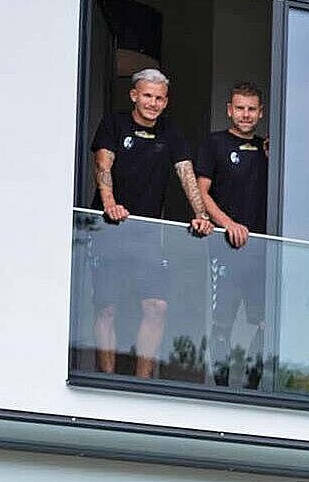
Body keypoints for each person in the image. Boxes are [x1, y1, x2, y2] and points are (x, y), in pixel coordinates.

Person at [87, 68, 190, 380]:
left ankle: (142, 380)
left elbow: (186, 172)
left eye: (159, 98)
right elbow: (103, 165)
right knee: (107, 308)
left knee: (157, 305)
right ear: (134, 95)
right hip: (107, 229)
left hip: (146, 235)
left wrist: (200, 215)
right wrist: (110, 205)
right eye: (147, 95)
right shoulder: (114, 123)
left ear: (166, 101)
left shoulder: (171, 132)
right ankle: (106, 377)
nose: (153, 103)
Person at [179, 81, 270, 389]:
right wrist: (228, 225)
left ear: (260, 113)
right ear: (230, 110)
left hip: (262, 249)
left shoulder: (267, 149)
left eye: (251, 109)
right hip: (225, 247)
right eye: (240, 108)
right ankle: (221, 389)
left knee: (264, 322)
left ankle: (252, 389)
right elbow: (202, 194)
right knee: (222, 323)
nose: (245, 114)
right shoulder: (214, 143)